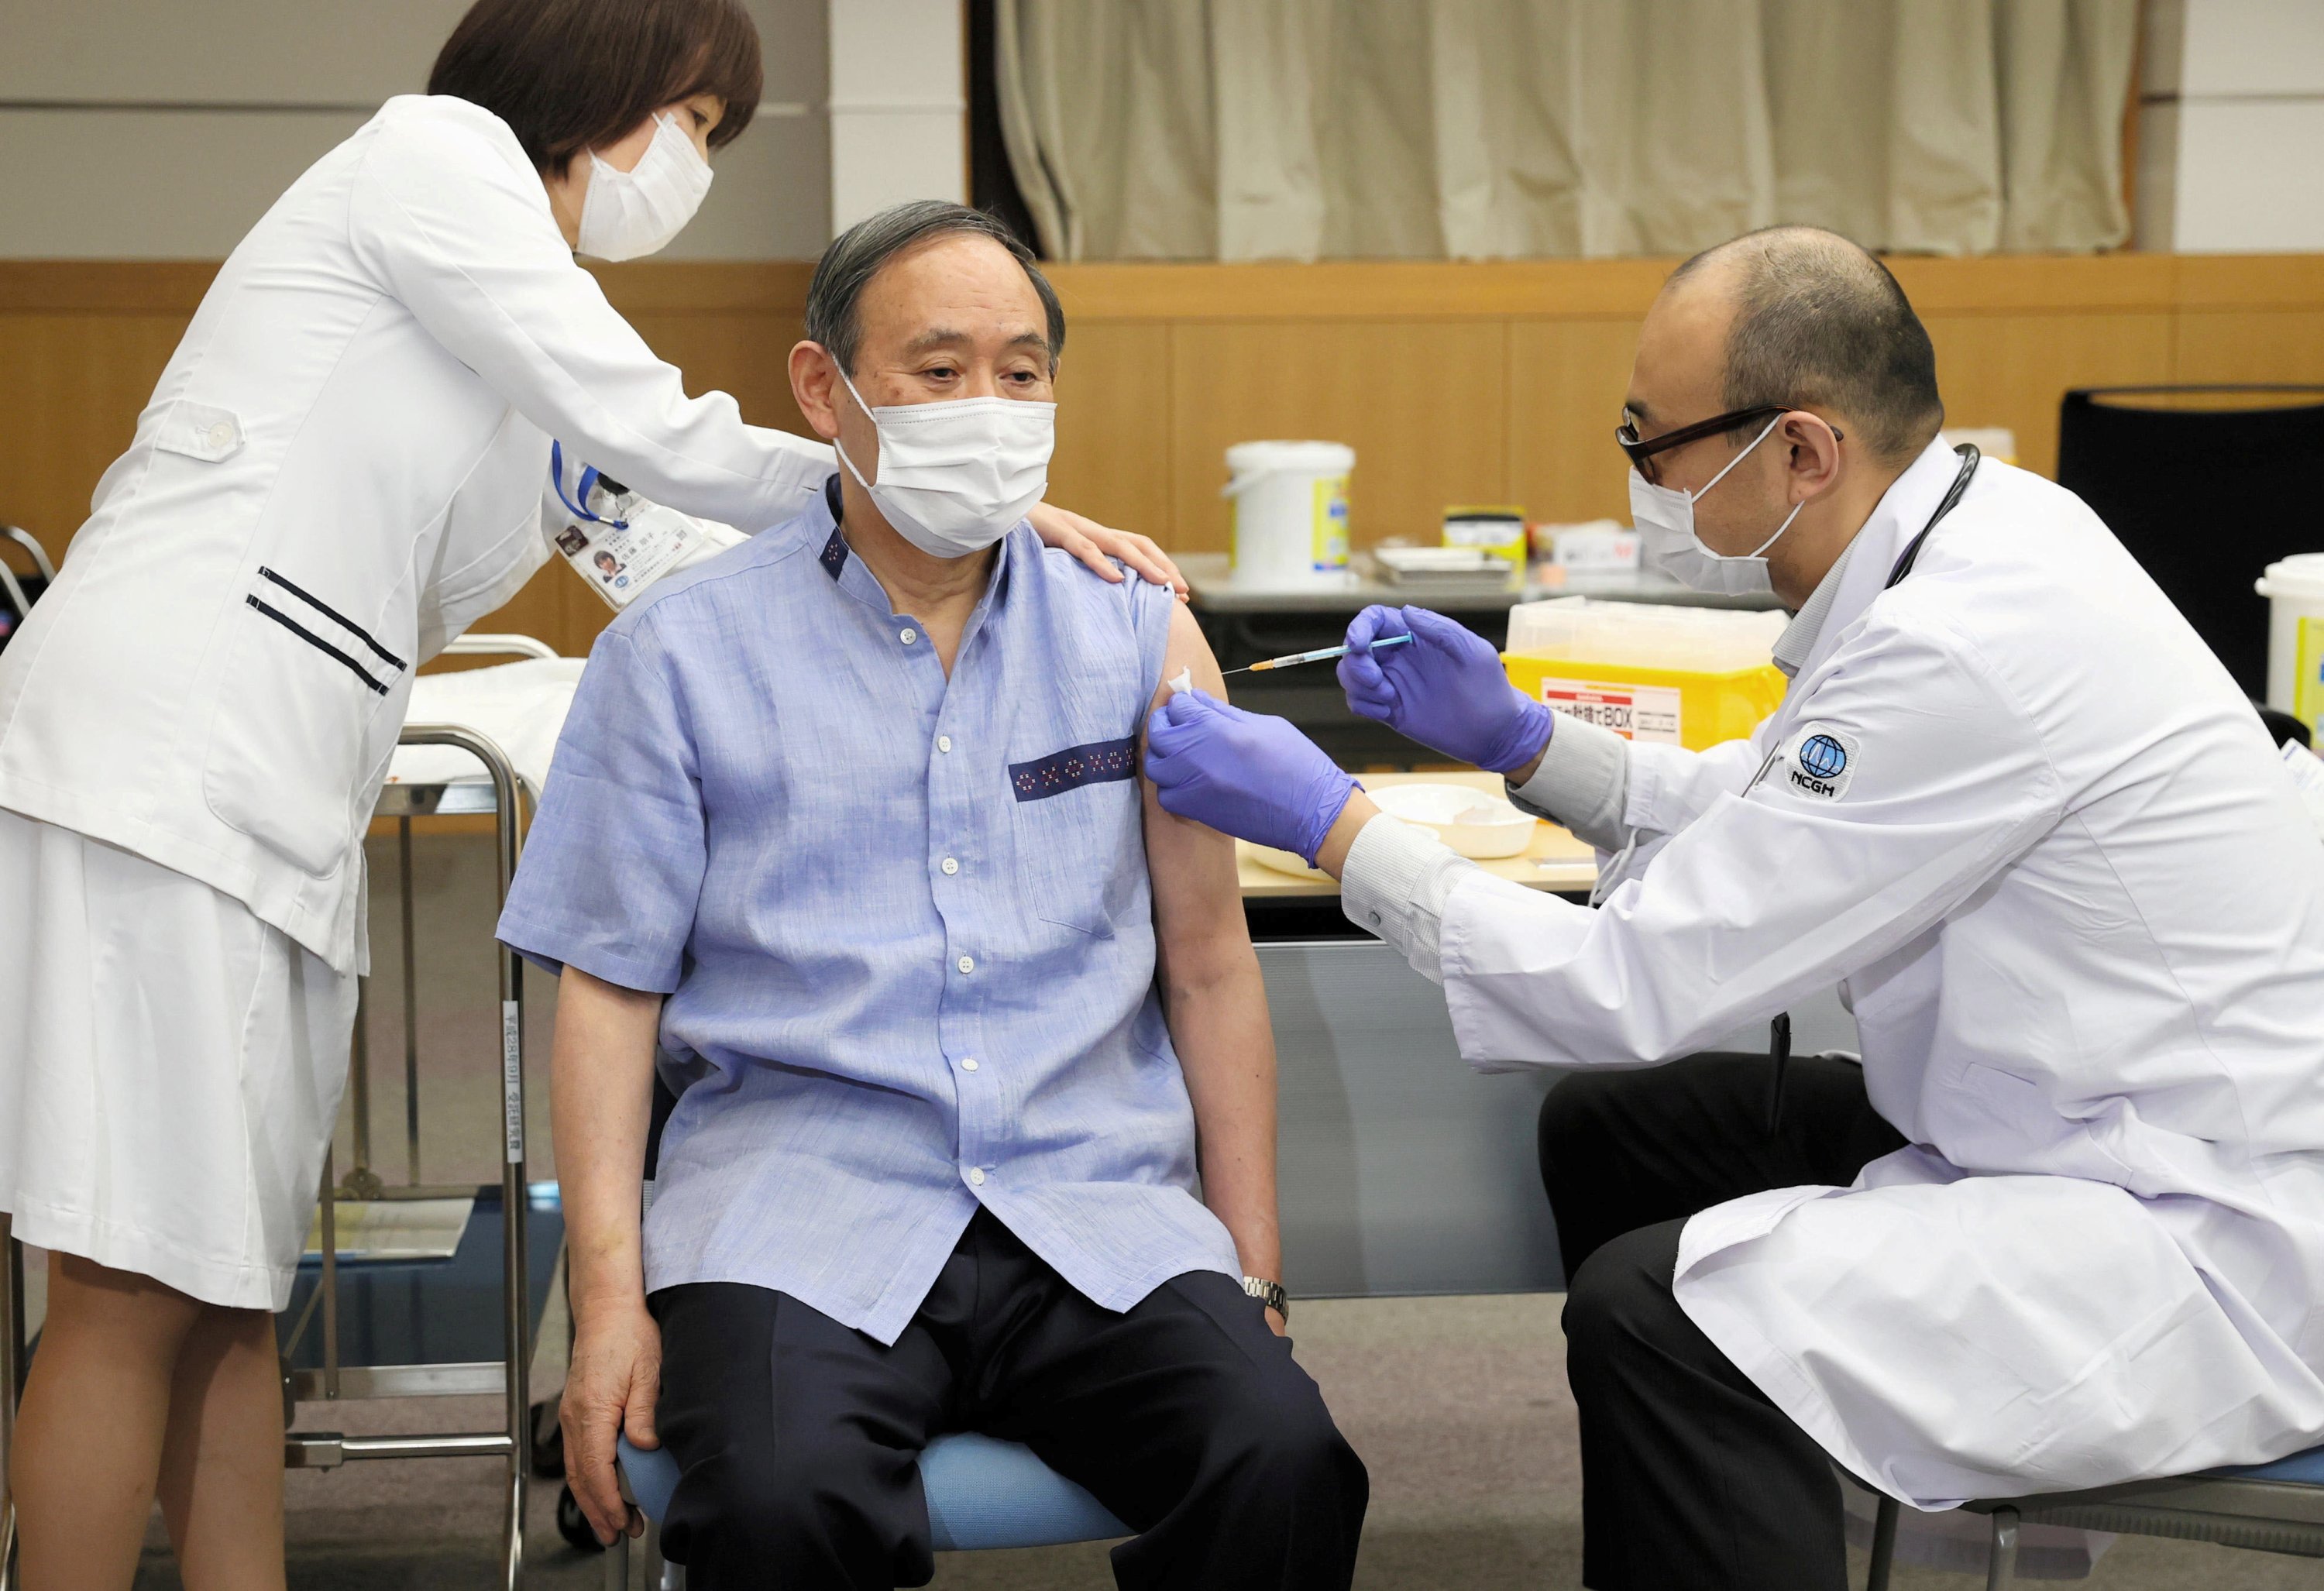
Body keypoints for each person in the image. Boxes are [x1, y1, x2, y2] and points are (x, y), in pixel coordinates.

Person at [0, 3, 1178, 1584]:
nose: (696, 163)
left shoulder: (517, 319)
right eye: (697, 122)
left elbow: (652, 531)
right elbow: (659, 430)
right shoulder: (440, 165)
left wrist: (971, 524)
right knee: (128, 1281)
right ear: (608, 78)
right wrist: (908, 478)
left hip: (260, 794)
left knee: (224, 1284)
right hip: (161, 762)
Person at [1143, 225, 2324, 1589]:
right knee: (1623, 1131)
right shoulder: (1978, 530)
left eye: (1652, 444)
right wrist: (1528, 741)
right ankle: (1723, 1515)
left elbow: (1623, 985)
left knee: (1653, 1315)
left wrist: (1335, 827)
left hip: (2192, 1227)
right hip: (2067, 1112)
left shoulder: (1964, 639)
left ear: (1803, 451)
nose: (1642, 478)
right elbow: (1785, 808)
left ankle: (1716, 1458)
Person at [497, 201, 1367, 1591]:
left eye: (1022, 373)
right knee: (776, 1500)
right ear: (822, 388)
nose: (989, 409)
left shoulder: (1138, 630)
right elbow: (608, 991)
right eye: (940, 369)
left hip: (1091, 1197)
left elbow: (1208, 964)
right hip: (795, 1204)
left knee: (1284, 1459)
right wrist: (608, 1301)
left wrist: (1253, 1273)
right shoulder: (677, 653)